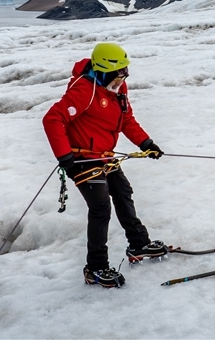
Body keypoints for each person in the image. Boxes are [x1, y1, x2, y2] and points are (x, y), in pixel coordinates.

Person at [43, 42, 165, 288]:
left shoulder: (118, 87)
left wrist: (146, 143)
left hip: (105, 155)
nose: (121, 79)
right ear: (102, 70)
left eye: (124, 73)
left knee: (122, 193)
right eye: (118, 74)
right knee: (100, 208)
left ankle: (138, 244)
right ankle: (95, 268)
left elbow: (126, 119)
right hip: (81, 158)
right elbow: (52, 119)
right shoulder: (84, 90)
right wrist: (65, 158)